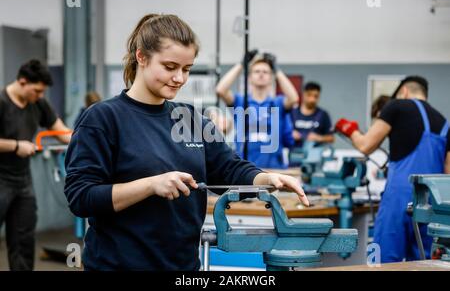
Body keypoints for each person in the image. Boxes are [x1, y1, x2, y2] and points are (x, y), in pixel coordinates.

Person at [63, 14, 309, 271]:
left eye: (187, 69)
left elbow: (229, 168)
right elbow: (81, 197)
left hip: (183, 268)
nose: (180, 78)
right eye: (170, 67)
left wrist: (268, 180)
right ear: (141, 57)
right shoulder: (103, 118)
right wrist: (151, 185)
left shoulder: (191, 118)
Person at [335, 76, 450, 263]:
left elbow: (365, 145)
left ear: (403, 91)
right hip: (432, 206)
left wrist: (350, 130)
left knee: (382, 260)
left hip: (399, 199)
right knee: (427, 263)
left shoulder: (396, 106)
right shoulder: (445, 123)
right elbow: (448, 171)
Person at [0, 59, 71, 271]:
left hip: (23, 183)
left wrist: (85, 141)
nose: (40, 96)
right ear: (22, 82)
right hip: (0, 180)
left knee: (23, 239)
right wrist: (15, 146)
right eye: (37, 91)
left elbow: (61, 131)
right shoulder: (2, 102)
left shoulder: (38, 103)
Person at [216, 50, 298, 169]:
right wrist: (241, 65)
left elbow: (294, 98)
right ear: (249, 77)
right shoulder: (241, 102)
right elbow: (220, 90)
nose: (261, 74)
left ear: (271, 77)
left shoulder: (277, 103)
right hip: (246, 169)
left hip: (274, 169)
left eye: (265, 72)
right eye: (257, 71)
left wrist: (277, 70)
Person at [290, 82, 334, 148]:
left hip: (314, 154)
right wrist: (290, 134)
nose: (312, 99)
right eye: (309, 95)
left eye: (316, 96)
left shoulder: (323, 115)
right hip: (293, 153)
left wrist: (319, 138)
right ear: (303, 94)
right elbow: (279, 134)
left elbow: (331, 138)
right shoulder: (292, 113)